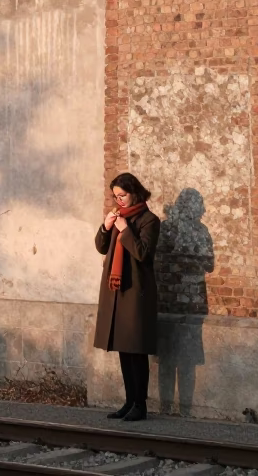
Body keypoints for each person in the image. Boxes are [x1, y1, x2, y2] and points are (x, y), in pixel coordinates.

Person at [93, 172, 160, 421]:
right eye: (115, 196)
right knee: (123, 348)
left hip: (136, 293)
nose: (119, 200)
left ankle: (140, 405)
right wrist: (106, 227)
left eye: (122, 195)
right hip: (116, 292)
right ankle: (129, 401)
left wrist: (124, 231)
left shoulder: (149, 221)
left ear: (135, 192)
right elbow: (101, 246)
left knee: (136, 350)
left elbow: (143, 254)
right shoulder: (119, 217)